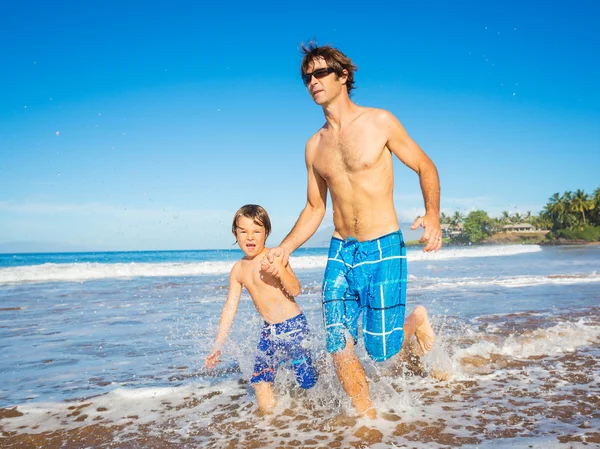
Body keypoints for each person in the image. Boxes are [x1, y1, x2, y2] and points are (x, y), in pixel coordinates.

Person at [262, 42, 441, 419]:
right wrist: (286, 248)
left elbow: (425, 165)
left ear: (344, 76)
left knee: (383, 353)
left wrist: (433, 214)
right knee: (336, 341)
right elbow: (315, 207)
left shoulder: (380, 122)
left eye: (320, 73)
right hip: (341, 251)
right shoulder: (314, 146)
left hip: (384, 246)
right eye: (306, 76)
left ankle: (415, 322)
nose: (312, 81)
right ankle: (367, 419)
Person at [205, 204, 319, 415]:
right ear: (235, 233)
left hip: (294, 326)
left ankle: (313, 416)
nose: (250, 237)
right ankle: (268, 426)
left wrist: (280, 273)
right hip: (270, 330)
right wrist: (218, 345)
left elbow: (295, 289)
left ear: (266, 232)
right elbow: (230, 307)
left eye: (256, 231)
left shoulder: (274, 256)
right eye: (243, 231)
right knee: (260, 378)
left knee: (306, 379)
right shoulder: (238, 269)